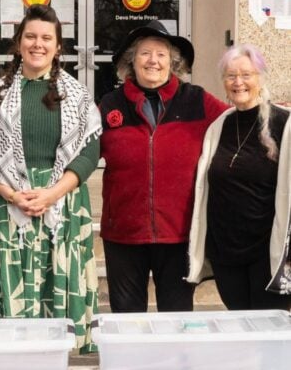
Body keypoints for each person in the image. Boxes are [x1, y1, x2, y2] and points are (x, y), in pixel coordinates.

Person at [0, 5, 102, 352]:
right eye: (30, 36)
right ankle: (13, 367)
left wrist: (52, 194)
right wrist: (12, 194)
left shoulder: (78, 96)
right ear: (18, 42)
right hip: (11, 203)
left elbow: (89, 153)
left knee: (58, 278)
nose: (37, 44)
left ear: (58, 47)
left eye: (46, 38)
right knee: (13, 281)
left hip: (64, 204)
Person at [99, 20, 228, 313]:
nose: (153, 61)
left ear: (173, 62)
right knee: (126, 320)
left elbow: (237, 124)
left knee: (176, 317)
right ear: (132, 60)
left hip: (178, 233)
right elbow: (79, 152)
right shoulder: (110, 105)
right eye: (145, 53)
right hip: (123, 234)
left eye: (161, 54)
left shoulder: (197, 101)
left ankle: (174, 362)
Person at [186, 44, 291, 309]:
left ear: (261, 78)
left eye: (247, 74)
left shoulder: (284, 124)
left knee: (268, 331)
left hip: (268, 253)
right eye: (231, 76)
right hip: (225, 252)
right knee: (239, 323)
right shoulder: (218, 126)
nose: (238, 82)